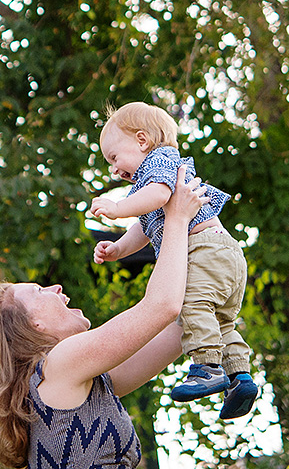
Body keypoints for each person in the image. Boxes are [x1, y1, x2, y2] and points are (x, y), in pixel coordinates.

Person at [0, 167, 203, 469]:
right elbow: (163, 306)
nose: (55, 287)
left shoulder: (78, 380)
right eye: (39, 291)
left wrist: (215, 279)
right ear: (33, 325)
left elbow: (180, 332)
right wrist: (177, 219)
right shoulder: (59, 364)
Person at [89, 101, 257, 416]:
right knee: (219, 319)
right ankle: (240, 376)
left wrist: (115, 207)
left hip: (203, 249)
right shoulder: (151, 183)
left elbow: (158, 197)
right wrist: (118, 248)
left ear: (142, 140)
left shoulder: (159, 162)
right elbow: (144, 225)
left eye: (114, 157)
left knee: (191, 304)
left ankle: (207, 368)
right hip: (221, 254)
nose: (113, 168)